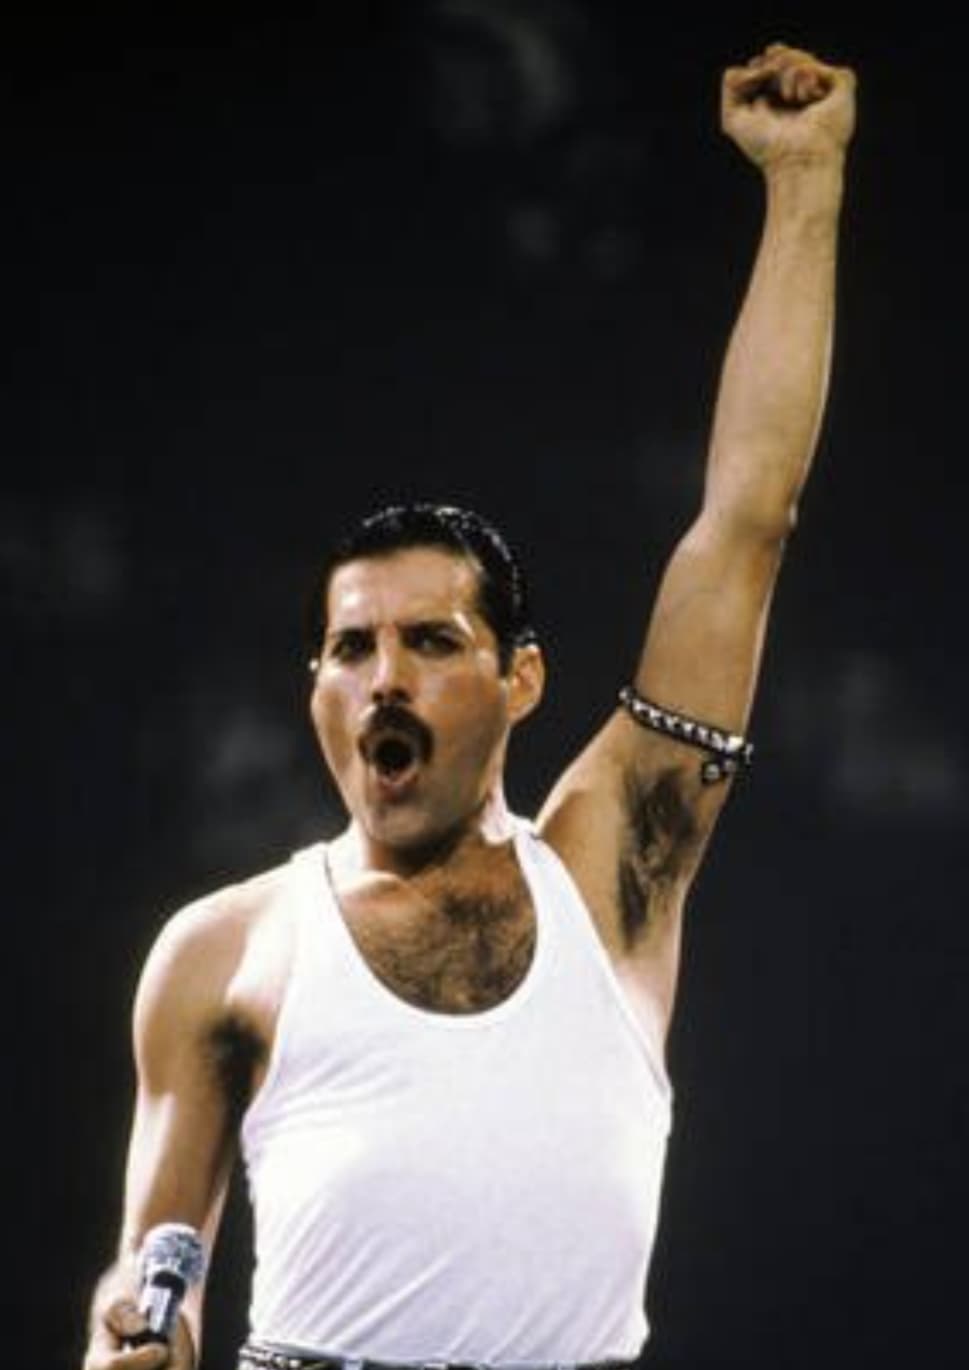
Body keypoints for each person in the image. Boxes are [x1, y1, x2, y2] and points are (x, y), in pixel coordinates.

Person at [83, 41, 857, 1370]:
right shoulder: (222, 953)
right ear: (317, 691)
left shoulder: (610, 872)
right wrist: (134, 1340)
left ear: (520, 679)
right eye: (351, 648)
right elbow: (153, 1271)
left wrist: (804, 185)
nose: (383, 676)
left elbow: (745, 523)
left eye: (431, 641)